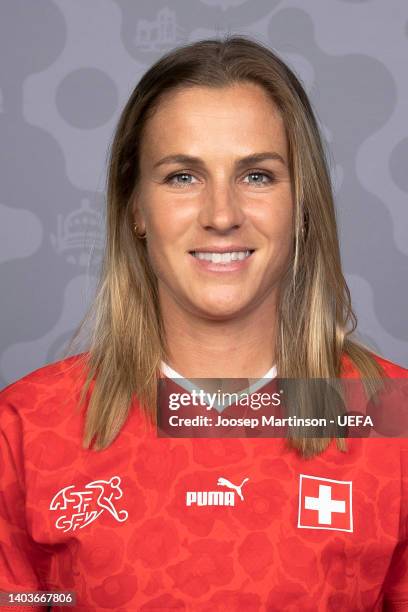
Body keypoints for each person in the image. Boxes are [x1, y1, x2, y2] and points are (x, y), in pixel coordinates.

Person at [0, 35, 407, 611]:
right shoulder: (25, 429)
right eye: (182, 177)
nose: (222, 215)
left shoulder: (390, 415)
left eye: (258, 175)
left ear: (303, 204)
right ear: (136, 207)